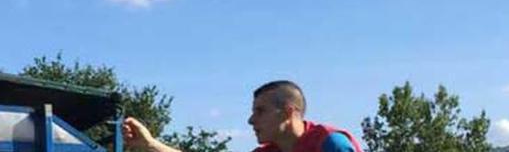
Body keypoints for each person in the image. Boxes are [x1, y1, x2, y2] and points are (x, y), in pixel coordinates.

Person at [122, 80, 362, 152]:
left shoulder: (330, 144)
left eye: (260, 111)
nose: (250, 120)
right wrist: (151, 144)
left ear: (289, 113)